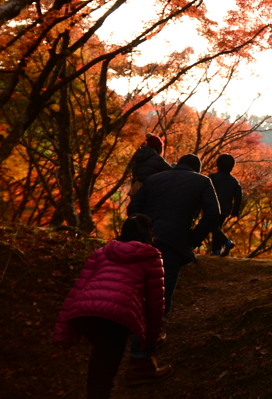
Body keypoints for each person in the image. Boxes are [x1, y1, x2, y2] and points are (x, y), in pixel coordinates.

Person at [53, 214, 170, 396]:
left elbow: (77, 289)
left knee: (102, 357)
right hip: (117, 316)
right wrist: (149, 340)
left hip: (85, 312)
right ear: (147, 233)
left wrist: (62, 332)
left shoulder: (101, 252)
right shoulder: (151, 257)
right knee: (104, 367)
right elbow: (155, 305)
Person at [127, 153, 221, 313]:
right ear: (197, 169)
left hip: (144, 241)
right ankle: (152, 332)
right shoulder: (202, 181)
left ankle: (129, 325)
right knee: (162, 291)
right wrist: (193, 238)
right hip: (174, 241)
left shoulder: (153, 179)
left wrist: (142, 232)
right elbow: (213, 212)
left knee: (136, 286)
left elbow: (133, 209)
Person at [209, 153, 243, 257]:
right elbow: (238, 196)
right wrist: (235, 211)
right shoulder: (234, 181)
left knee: (211, 226)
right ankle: (216, 251)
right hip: (225, 209)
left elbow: (205, 191)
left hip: (212, 207)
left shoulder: (212, 177)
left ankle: (226, 242)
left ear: (218, 164)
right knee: (217, 227)